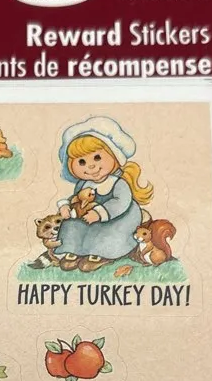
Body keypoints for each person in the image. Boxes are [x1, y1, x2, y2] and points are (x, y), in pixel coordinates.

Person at [54, 116, 153, 271]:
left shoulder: (118, 183)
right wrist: (66, 206)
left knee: (107, 231)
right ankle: (73, 251)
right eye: (82, 162)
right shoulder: (83, 184)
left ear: (115, 157)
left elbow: (120, 203)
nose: (91, 166)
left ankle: (100, 255)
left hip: (117, 216)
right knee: (72, 224)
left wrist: (100, 213)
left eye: (97, 157)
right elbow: (76, 199)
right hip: (88, 216)